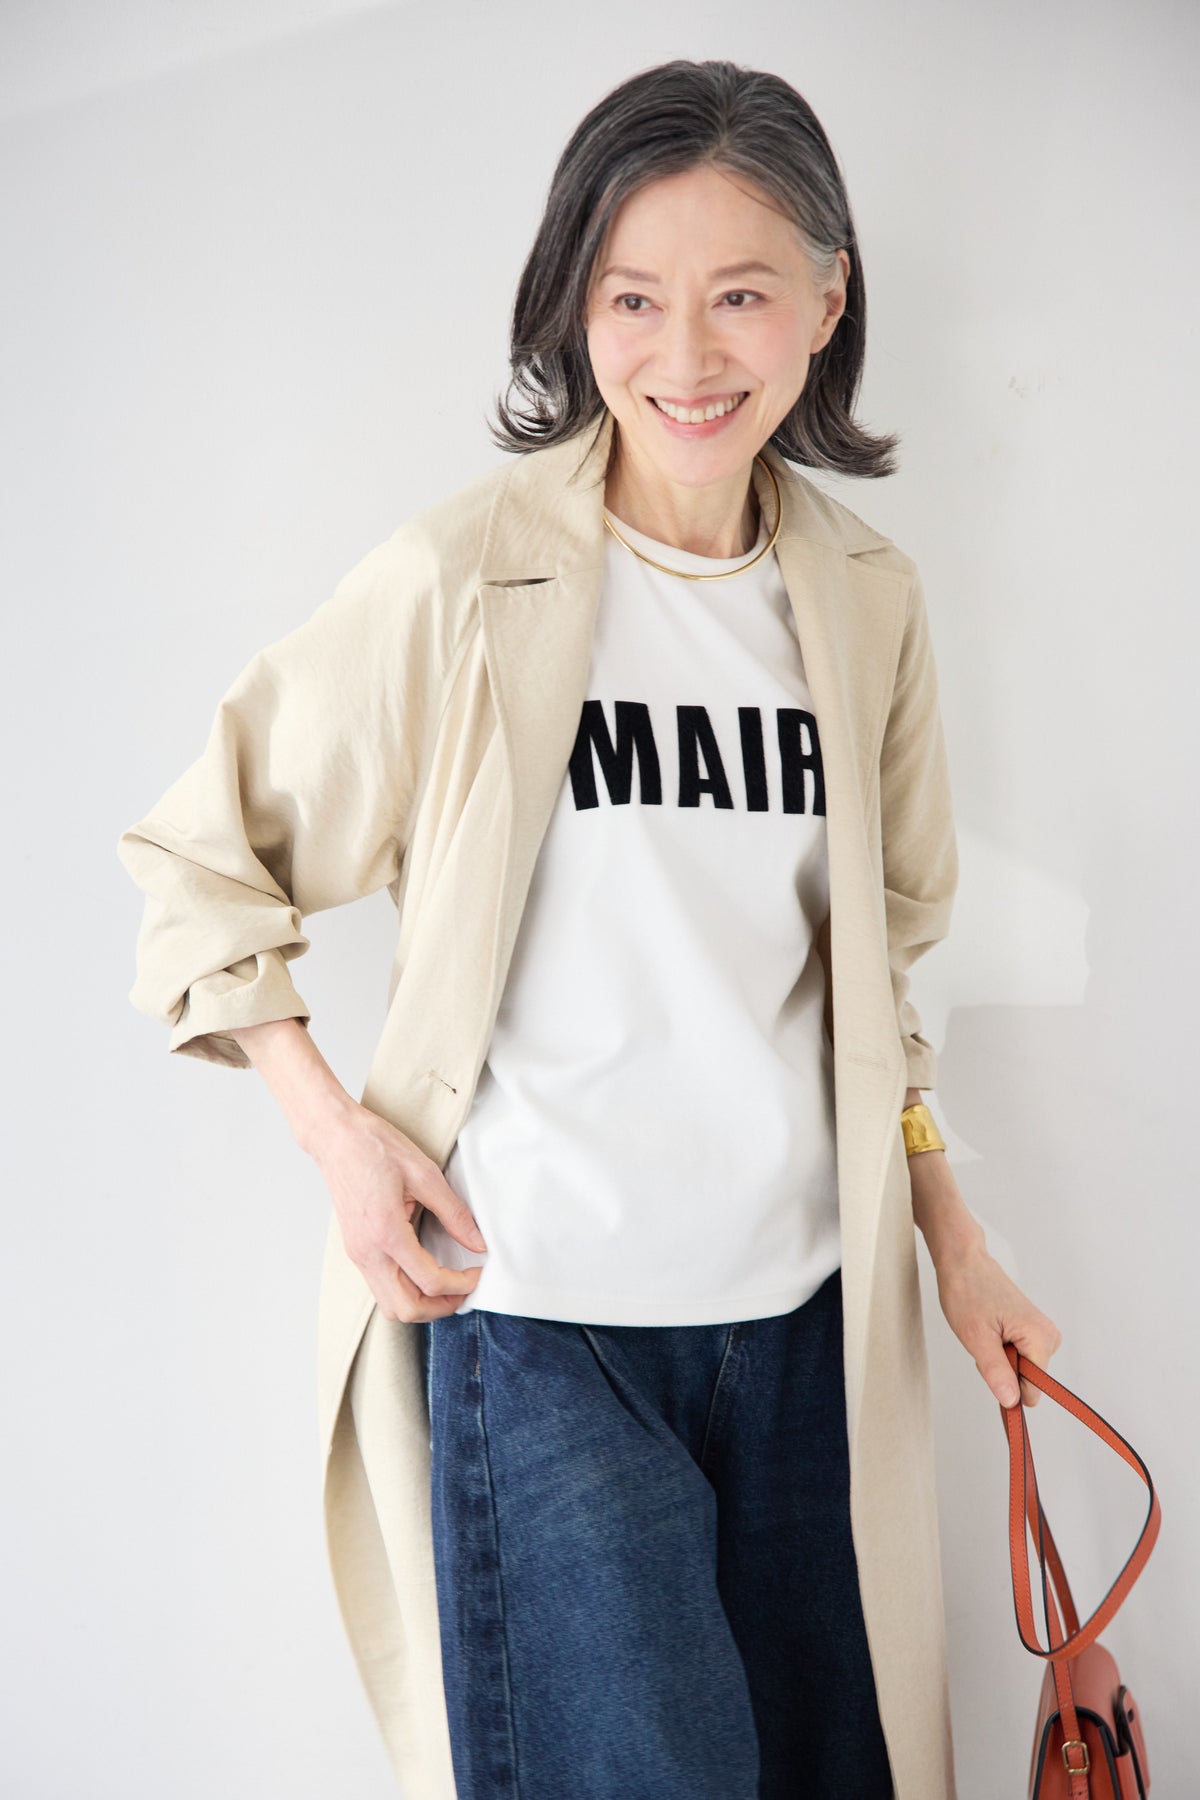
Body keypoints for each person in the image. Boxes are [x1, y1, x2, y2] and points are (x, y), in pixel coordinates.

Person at [117, 58, 1062, 1800]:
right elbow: (201, 857)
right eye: (633, 299)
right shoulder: (461, 581)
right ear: (575, 306)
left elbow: (878, 986)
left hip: (805, 1339)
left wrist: (953, 1235)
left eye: (740, 295)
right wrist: (339, 1140)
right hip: (545, 1334)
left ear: (828, 302)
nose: (685, 355)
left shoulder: (865, 601)